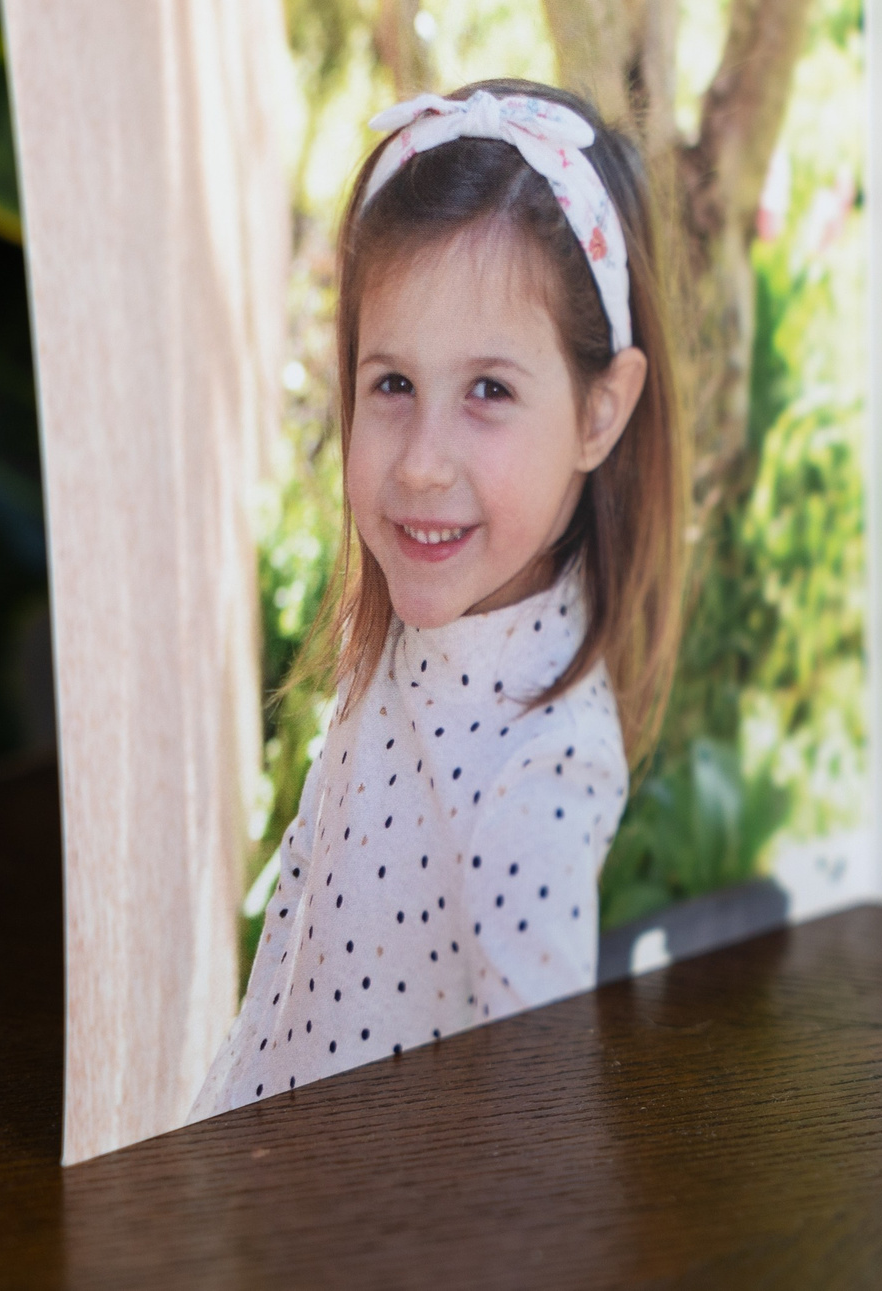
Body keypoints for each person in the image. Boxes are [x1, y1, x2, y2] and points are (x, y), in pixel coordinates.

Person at [190, 81, 684, 1117]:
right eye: (393, 384)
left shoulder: (539, 769)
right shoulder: (430, 622)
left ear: (602, 411)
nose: (420, 463)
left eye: (489, 391)